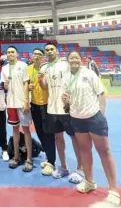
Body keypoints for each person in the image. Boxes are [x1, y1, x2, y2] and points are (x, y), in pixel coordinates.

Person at [62, 51, 120, 207]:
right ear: (67, 61)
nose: (74, 59)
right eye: (71, 58)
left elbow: (101, 94)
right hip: (76, 118)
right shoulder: (66, 78)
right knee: (84, 150)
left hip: (93, 117)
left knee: (104, 151)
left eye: (76, 57)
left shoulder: (89, 74)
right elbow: (66, 103)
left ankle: (113, 190)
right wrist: (65, 102)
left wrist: (101, 113)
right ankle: (89, 181)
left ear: (80, 60)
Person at [39, 42, 83, 183]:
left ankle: (80, 168)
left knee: (74, 137)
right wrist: (41, 82)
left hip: (67, 108)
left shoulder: (65, 64)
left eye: (52, 49)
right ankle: (63, 167)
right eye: (47, 50)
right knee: (58, 137)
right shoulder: (44, 67)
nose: (49, 51)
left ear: (56, 51)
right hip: (52, 108)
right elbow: (45, 87)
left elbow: (75, 79)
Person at [1, 46, 33, 172]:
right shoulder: (4, 68)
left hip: (22, 102)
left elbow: (26, 83)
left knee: (26, 130)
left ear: (17, 54)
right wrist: (6, 84)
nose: (10, 54)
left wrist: (26, 100)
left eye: (12, 52)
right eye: (8, 52)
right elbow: (5, 86)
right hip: (10, 103)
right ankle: (16, 156)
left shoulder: (23, 65)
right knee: (15, 130)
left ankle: (29, 159)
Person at [28, 48, 56, 175]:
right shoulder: (27, 69)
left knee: (48, 133)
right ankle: (49, 157)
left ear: (43, 57)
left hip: (46, 105)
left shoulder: (47, 68)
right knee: (39, 132)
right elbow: (25, 85)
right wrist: (28, 87)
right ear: (32, 56)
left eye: (40, 54)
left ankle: (52, 162)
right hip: (34, 104)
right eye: (35, 54)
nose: (37, 56)